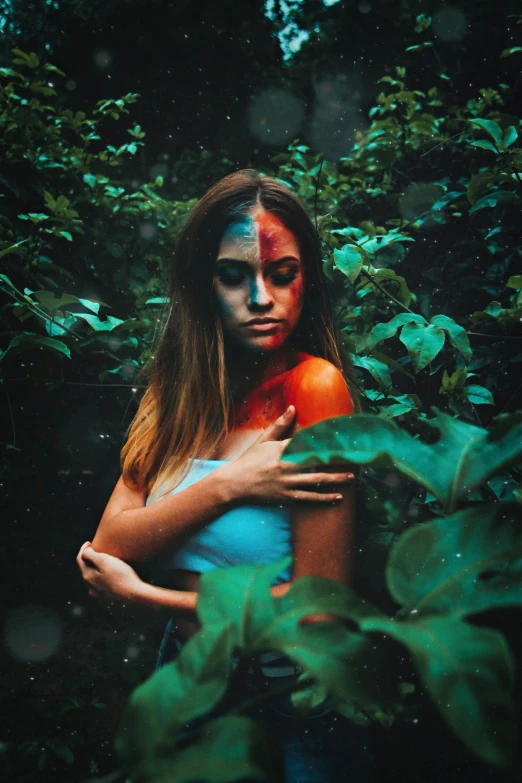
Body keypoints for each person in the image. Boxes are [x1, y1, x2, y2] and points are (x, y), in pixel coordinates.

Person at [76, 169, 372, 781]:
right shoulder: (177, 395)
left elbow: (320, 613)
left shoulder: (313, 389)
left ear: (306, 279)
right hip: (183, 682)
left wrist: (147, 597)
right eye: (234, 276)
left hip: (282, 702)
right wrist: (230, 485)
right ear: (203, 284)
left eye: (280, 273)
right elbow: (108, 544)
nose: (260, 298)